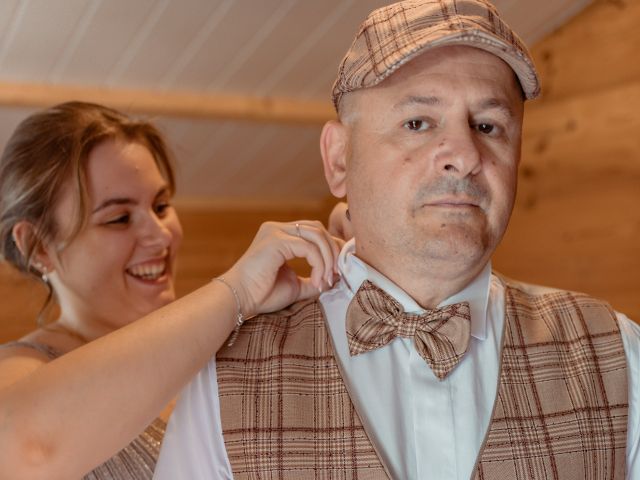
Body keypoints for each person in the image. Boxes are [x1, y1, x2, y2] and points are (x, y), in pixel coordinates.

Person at [154, 1, 640, 479]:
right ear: (340, 160)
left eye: (488, 126)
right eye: (418, 123)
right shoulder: (225, 376)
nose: (465, 155)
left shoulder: (619, 353)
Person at [0, 101, 347, 479]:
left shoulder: (219, 343)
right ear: (38, 246)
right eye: (119, 219)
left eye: (161, 206)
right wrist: (235, 292)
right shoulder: (21, 370)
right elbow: (24, 448)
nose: (160, 234)